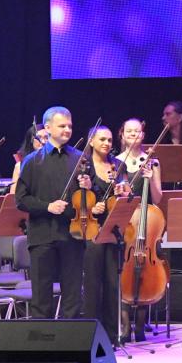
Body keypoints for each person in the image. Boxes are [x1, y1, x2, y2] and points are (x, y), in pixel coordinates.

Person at [15, 106, 86, 319]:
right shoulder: (32, 160)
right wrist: (48, 206)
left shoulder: (80, 158)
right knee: (41, 295)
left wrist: (88, 186)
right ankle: (41, 336)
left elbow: (91, 199)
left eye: (70, 126)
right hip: (41, 234)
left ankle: (70, 335)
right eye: (62, 126)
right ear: (47, 127)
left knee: (72, 294)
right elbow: (21, 200)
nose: (67, 130)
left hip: (72, 234)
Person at [77, 123, 129, 343]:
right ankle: (92, 336)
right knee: (92, 284)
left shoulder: (118, 165)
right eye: (102, 139)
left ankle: (111, 336)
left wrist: (123, 191)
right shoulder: (83, 166)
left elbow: (127, 194)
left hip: (113, 229)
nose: (107, 143)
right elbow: (74, 200)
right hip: (91, 230)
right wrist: (91, 206)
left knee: (112, 283)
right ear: (91, 141)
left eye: (109, 140)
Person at [9, 123, 48, 193]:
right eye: (39, 137)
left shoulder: (56, 163)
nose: (43, 141)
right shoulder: (20, 166)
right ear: (31, 140)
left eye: (46, 137)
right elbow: (13, 195)